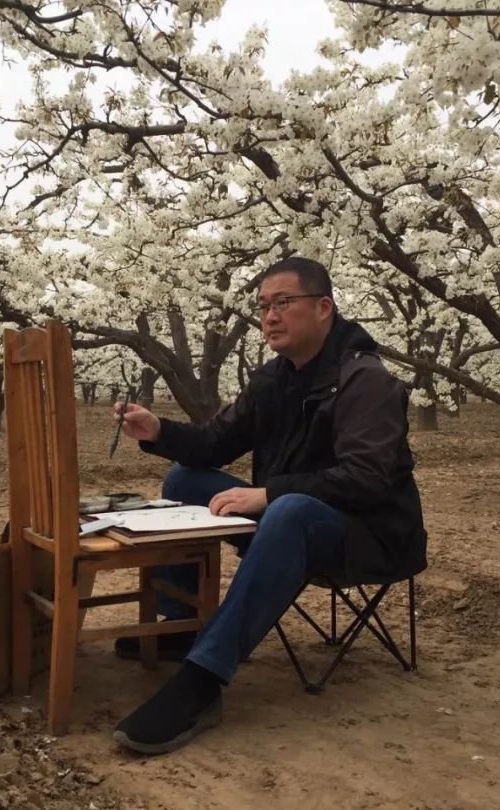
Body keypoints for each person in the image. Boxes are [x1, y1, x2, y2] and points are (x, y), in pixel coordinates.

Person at [110, 256, 427, 754]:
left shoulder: (366, 380)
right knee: (185, 477)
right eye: (262, 307)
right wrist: (158, 431)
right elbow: (214, 444)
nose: (270, 316)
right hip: (290, 521)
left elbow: (366, 479)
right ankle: (180, 628)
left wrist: (268, 495)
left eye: (283, 302)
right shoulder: (273, 379)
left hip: (370, 535)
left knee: (290, 508)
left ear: (324, 308)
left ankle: (203, 680)